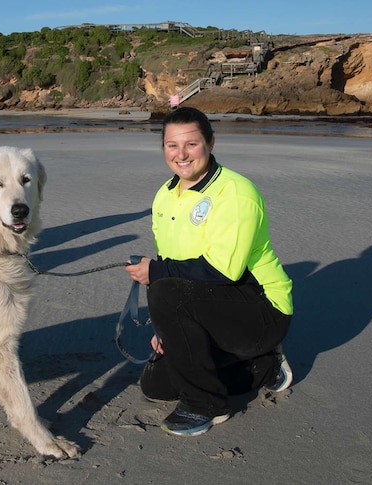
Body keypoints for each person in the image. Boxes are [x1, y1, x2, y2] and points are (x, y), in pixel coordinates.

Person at [125, 107, 293, 437]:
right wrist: (165, 328)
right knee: (155, 385)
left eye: (192, 144)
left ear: (211, 143)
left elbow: (222, 271)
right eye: (172, 145)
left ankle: (207, 405)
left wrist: (157, 276)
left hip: (262, 311)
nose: (181, 154)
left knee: (164, 287)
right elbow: (168, 264)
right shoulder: (164, 195)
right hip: (206, 304)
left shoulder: (235, 193)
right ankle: (264, 367)